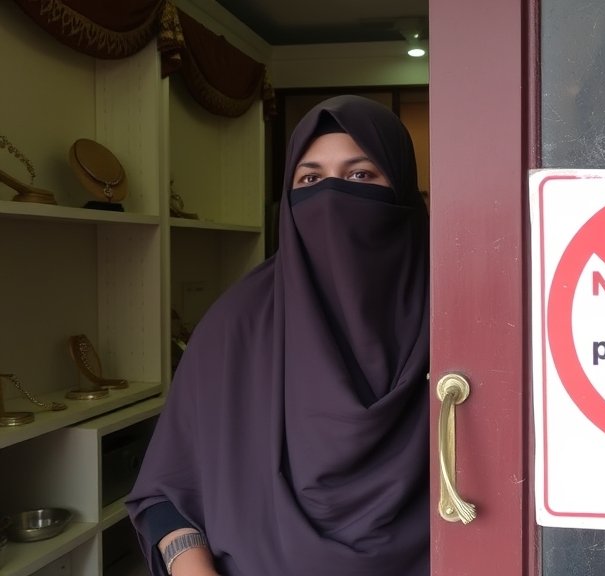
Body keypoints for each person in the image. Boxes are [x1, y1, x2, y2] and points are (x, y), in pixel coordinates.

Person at [126, 95, 430, 576]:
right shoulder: (239, 323)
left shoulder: (461, 319)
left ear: (403, 190)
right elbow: (166, 495)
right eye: (310, 179)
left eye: (360, 175)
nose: (331, 196)